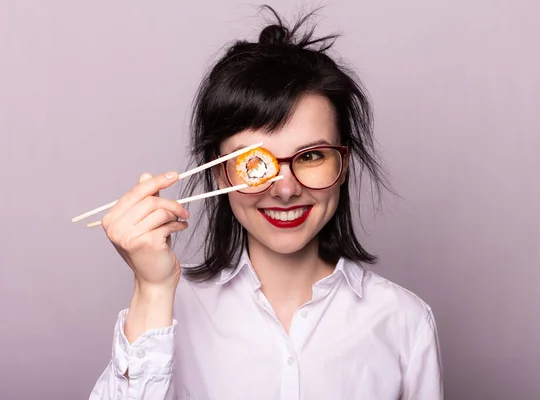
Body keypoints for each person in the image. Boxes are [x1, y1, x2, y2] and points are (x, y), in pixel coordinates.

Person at [89, 6, 443, 400]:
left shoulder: (404, 322)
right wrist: (152, 290)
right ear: (219, 173)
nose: (285, 189)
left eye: (311, 156)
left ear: (342, 165)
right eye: (255, 164)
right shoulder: (169, 311)